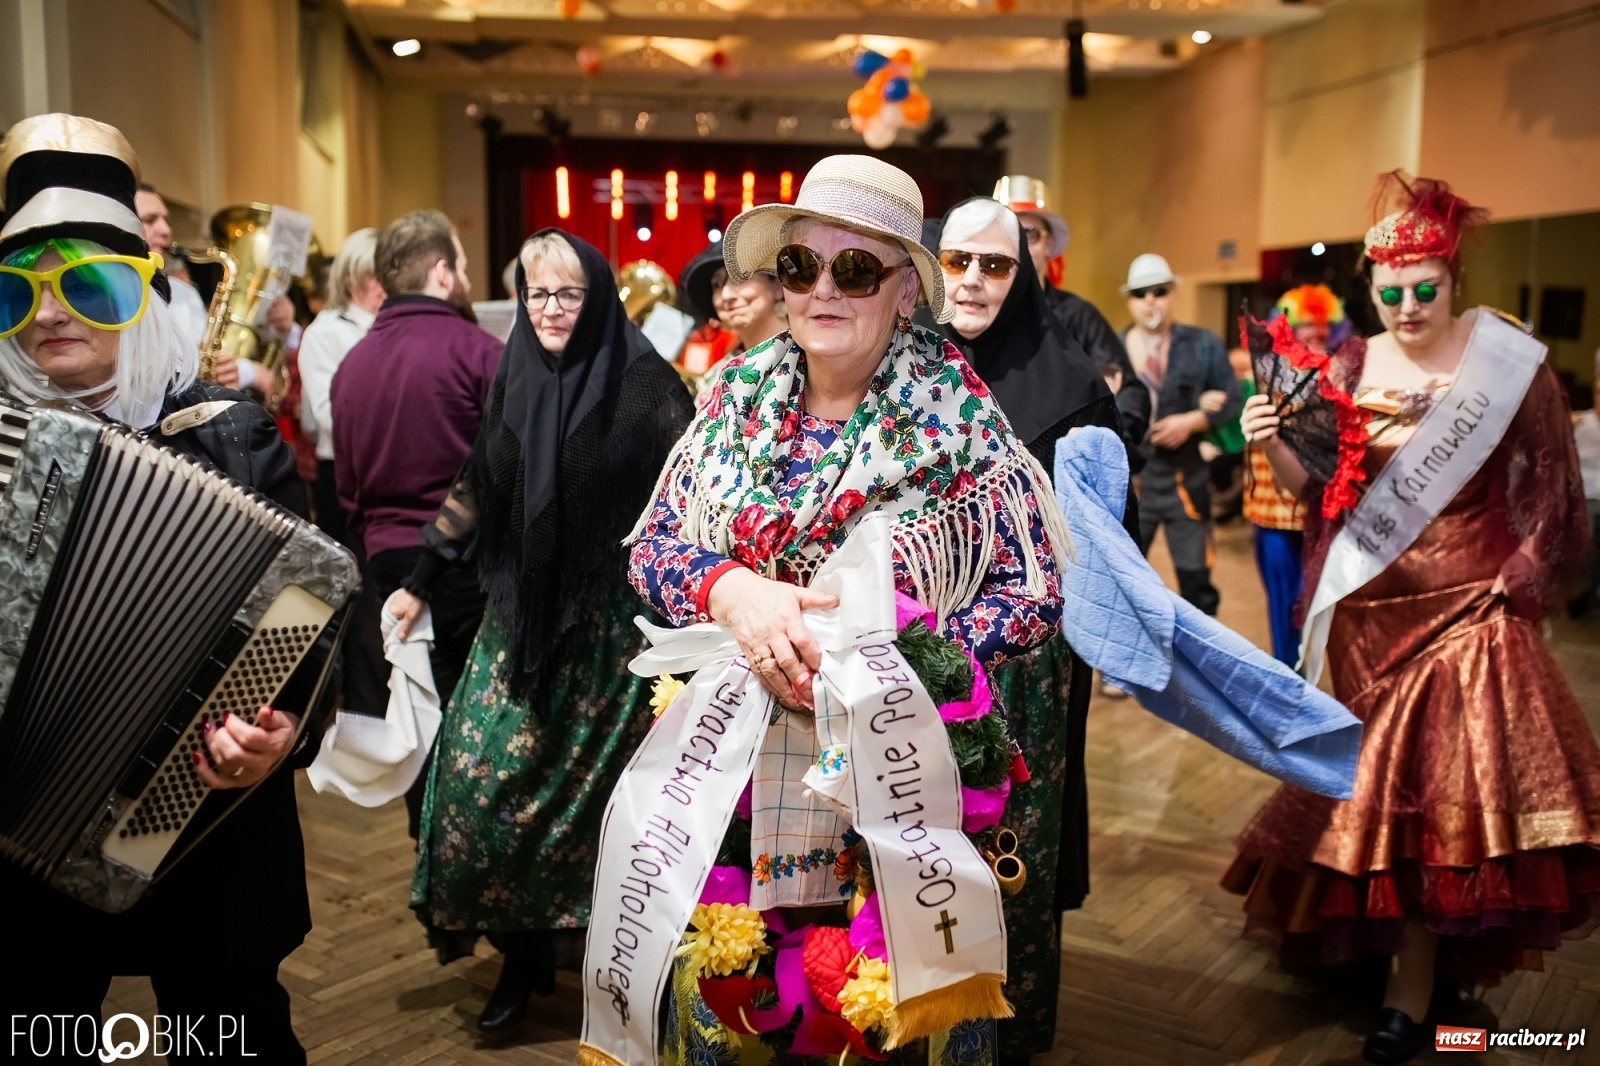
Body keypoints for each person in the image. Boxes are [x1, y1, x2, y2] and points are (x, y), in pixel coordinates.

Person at [629, 155, 1072, 1066]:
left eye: (855, 269)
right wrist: (733, 591)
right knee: (734, 1000)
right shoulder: (731, 399)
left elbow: (1033, 597)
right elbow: (653, 548)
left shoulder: (962, 424)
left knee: (879, 1022)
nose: (820, 289)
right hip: (737, 769)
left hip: (896, 778)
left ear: (907, 289)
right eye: (799, 266)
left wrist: (893, 650)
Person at [1224, 173, 1600, 1065]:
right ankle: (1424, 986)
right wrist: (1269, 437)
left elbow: (1553, 488)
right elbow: (1328, 493)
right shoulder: (1352, 366)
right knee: (1385, 814)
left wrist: (1523, 571)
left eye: (1423, 287)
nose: (1405, 305)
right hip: (1374, 616)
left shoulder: (1509, 362)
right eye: (1388, 291)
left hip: (1474, 615)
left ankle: (1415, 994)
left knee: (1458, 810)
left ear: (1454, 276)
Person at [0, 113, 315, 1063]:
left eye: (86, 286)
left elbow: (311, 615)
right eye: (17, 293)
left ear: (138, 295)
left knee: (230, 1039)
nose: (49, 315)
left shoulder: (231, 437)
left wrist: (287, 725)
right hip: (20, 837)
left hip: (205, 830)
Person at [389, 229, 694, 1032]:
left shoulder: (649, 388)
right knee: (479, 788)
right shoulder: (512, 371)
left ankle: (619, 975)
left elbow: (688, 507)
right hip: (519, 622)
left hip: (611, 641)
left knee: (602, 817)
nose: (551, 309)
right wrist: (421, 578)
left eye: (569, 293)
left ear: (598, 297)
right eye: (537, 292)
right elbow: (477, 483)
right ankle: (521, 959)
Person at [933, 195, 1123, 1063]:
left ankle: (1006, 1029)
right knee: (908, 834)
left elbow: (1093, 541)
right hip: (907, 646)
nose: (973, 280)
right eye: (958, 260)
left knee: (1010, 841)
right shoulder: (905, 364)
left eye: (995, 264)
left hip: (1021, 665)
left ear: (1025, 274)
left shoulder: (1073, 385)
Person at [331, 210, 500, 830]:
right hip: (467, 563)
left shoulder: (352, 366)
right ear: (440, 270)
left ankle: (426, 852)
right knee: (477, 715)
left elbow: (346, 487)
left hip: (385, 560)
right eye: (458, 263)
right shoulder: (478, 351)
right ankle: (470, 862)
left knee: (414, 710)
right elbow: (502, 471)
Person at [1121, 252, 1240, 614]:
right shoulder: (1113, 346)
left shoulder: (1202, 344)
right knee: (1124, 581)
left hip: (1185, 478)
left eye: (1158, 291)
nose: (1150, 301)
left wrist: (1193, 421)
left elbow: (1232, 400)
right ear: (1130, 300)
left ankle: (1199, 668)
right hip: (1131, 480)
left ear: (1172, 294)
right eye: (1140, 293)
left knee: (1196, 582)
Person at [993, 174, 1146, 446]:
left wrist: (1098, 440)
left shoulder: (1079, 316)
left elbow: (1130, 393)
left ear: (1049, 244)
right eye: (1008, 232)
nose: (1020, 245)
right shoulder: (972, 316)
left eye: (1030, 234)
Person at [1244, 285, 1349, 664]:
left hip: (1322, 515)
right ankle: (1291, 683)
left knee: (1325, 606)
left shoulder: (1341, 376)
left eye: (1323, 325)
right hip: (1271, 514)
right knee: (1284, 604)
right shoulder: (1260, 373)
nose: (1315, 333)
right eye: (1305, 323)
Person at [298, 226, 381, 545]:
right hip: (343, 472)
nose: (382, 286)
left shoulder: (392, 324)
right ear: (350, 279)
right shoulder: (325, 332)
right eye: (372, 276)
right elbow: (329, 415)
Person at [134, 182, 209, 350]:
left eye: (166, 220)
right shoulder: (104, 296)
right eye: (150, 220)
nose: (166, 230)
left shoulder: (185, 294)